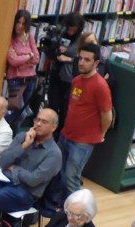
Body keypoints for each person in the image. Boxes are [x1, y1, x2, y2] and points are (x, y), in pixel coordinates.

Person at [46, 43, 112, 211]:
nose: (81, 62)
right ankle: (59, 208)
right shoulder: (76, 80)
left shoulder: (100, 86)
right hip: (66, 135)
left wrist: (102, 133)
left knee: (71, 178)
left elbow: (107, 115)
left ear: (96, 63)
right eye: (80, 58)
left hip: (83, 141)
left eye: (87, 60)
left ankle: (76, 214)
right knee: (58, 172)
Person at [0, 109, 62, 215]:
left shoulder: (54, 154)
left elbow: (33, 180)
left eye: (44, 122)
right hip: (4, 179)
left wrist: (15, 168)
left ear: (53, 127)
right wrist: (24, 146)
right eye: (37, 119)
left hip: (25, 192)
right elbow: (3, 162)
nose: (38, 124)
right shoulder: (22, 137)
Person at [47, 13, 98, 130]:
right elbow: (49, 52)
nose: (70, 32)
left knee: (65, 109)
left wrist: (68, 59)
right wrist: (56, 53)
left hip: (70, 78)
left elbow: (84, 59)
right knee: (52, 106)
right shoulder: (60, 33)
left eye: (73, 30)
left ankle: (60, 133)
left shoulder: (82, 40)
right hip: (56, 74)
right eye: (69, 29)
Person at [5, 10, 39, 128]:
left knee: (23, 110)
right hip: (15, 79)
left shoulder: (29, 36)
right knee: (20, 113)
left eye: (23, 23)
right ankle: (3, 127)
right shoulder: (11, 38)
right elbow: (13, 61)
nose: (20, 26)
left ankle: (12, 133)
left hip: (30, 79)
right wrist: (29, 56)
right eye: (18, 22)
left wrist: (21, 58)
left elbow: (37, 58)